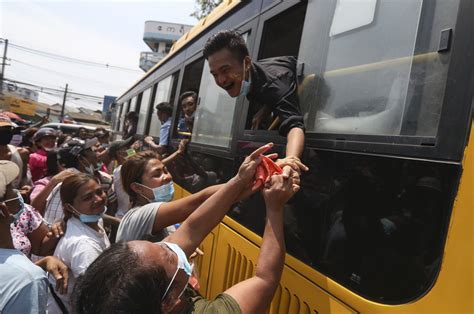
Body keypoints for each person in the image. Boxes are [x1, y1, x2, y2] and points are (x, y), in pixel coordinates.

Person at [73, 143, 299, 313]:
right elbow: (265, 279)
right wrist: (275, 208)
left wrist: (241, 180)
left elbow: (193, 227)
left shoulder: (146, 291)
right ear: (169, 301)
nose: (175, 248)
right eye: (170, 257)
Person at [203, 30, 308, 176]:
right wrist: (264, 111)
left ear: (246, 63)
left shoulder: (275, 83)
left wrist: (291, 160)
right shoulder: (247, 78)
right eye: (215, 74)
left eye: (225, 70)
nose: (221, 80)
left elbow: (295, 125)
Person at [0, 162, 69, 314]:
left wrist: (58, 228)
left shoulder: (24, 212)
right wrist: (30, 273)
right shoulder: (30, 278)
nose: (17, 191)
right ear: (3, 208)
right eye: (10, 188)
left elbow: (41, 246)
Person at [116, 149, 221, 242]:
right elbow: (199, 201)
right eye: (157, 175)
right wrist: (237, 182)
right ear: (137, 188)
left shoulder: (162, 218)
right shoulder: (139, 215)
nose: (167, 177)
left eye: (166, 171)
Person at [47, 173, 110, 313]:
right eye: (88, 197)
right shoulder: (84, 245)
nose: (98, 199)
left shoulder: (92, 220)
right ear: (69, 207)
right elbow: (94, 296)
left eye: (99, 192)